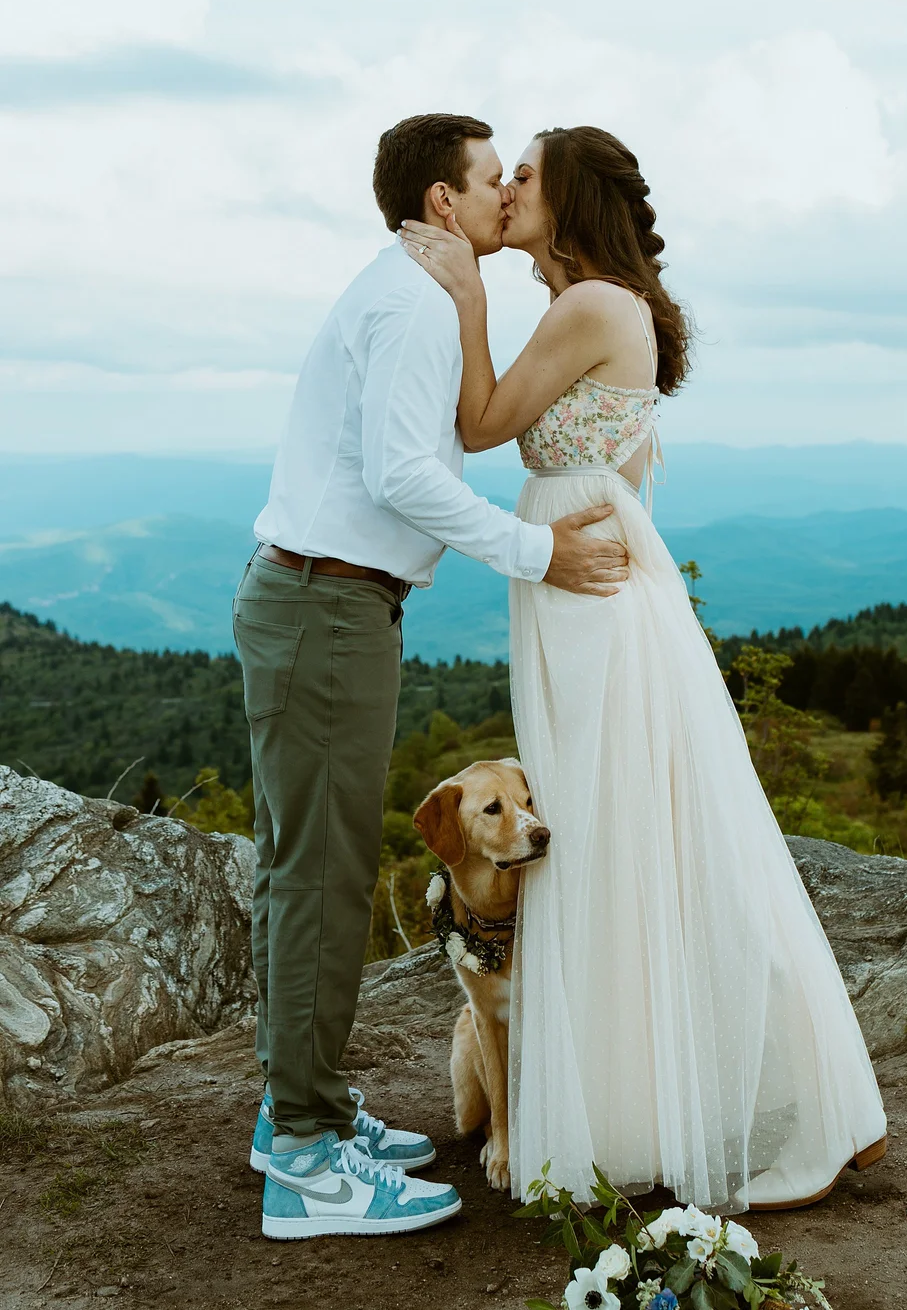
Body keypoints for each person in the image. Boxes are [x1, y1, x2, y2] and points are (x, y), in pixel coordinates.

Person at [400, 124, 888, 1213]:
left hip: (587, 594)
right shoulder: (599, 303)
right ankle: (658, 1099)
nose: (509, 188)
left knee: (614, 839)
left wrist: (465, 293)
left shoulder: (588, 304)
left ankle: (791, 1101)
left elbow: (479, 422)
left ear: (569, 198)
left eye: (528, 174)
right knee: (618, 842)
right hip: (580, 577)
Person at [232, 114, 629, 1240]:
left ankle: (299, 1113)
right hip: (327, 606)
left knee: (303, 868)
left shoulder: (414, 292)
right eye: (493, 178)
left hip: (326, 601)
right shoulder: (411, 301)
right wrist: (536, 551)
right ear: (442, 202)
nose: (508, 193)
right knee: (322, 878)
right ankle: (305, 1166)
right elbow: (406, 473)